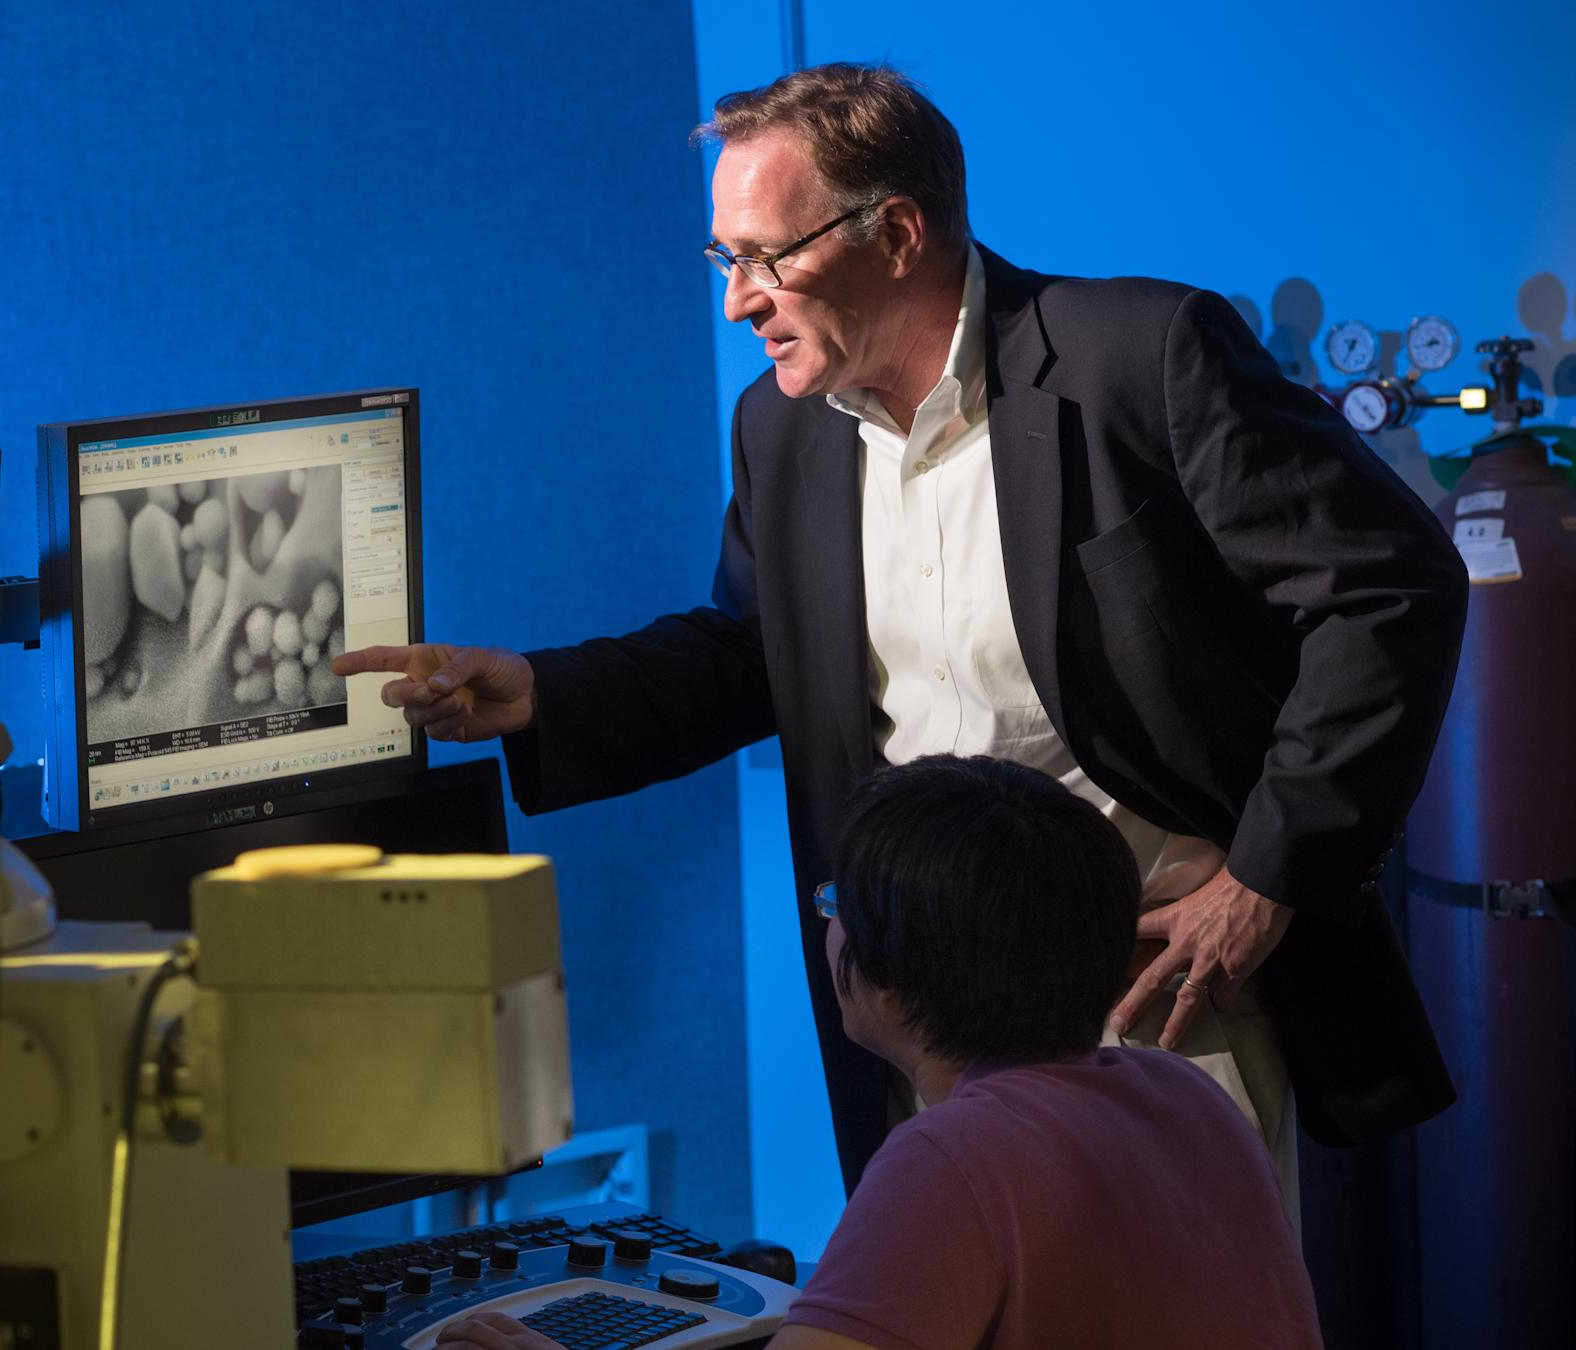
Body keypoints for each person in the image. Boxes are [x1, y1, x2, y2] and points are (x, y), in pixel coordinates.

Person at [335, 63, 1466, 1187]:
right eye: (727, 260)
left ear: (899, 233)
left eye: (767, 258)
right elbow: (754, 652)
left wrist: (1269, 877)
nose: (738, 299)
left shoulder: (1141, 357)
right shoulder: (779, 432)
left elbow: (1389, 590)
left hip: (1152, 1004)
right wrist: (542, 692)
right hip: (914, 1028)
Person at [433, 756, 1324, 1350]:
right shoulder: (1190, 1098)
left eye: (836, 904)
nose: (828, 923)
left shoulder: (957, 1156)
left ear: (889, 980)